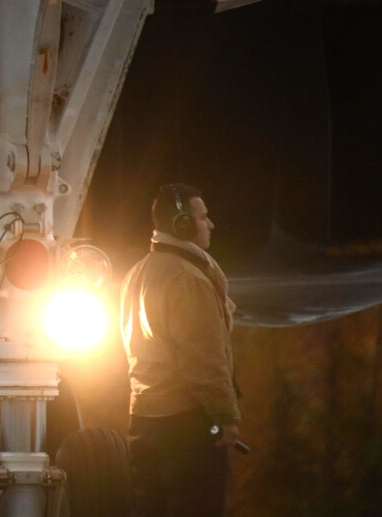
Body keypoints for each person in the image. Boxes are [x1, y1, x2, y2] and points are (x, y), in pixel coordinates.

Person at [118, 183, 241, 517]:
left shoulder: (136, 274)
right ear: (183, 224)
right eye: (203, 216)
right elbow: (204, 359)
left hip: (143, 419)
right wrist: (225, 416)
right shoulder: (188, 279)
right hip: (187, 425)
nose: (210, 224)